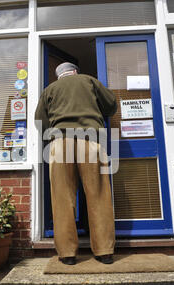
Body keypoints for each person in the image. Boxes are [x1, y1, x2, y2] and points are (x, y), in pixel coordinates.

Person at [35, 62, 118, 265]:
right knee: (99, 195)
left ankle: (67, 254)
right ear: (75, 72)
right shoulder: (89, 81)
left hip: (60, 143)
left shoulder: (49, 90)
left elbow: (40, 121)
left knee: (62, 198)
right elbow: (111, 106)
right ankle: (104, 251)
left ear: (59, 75)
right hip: (90, 139)